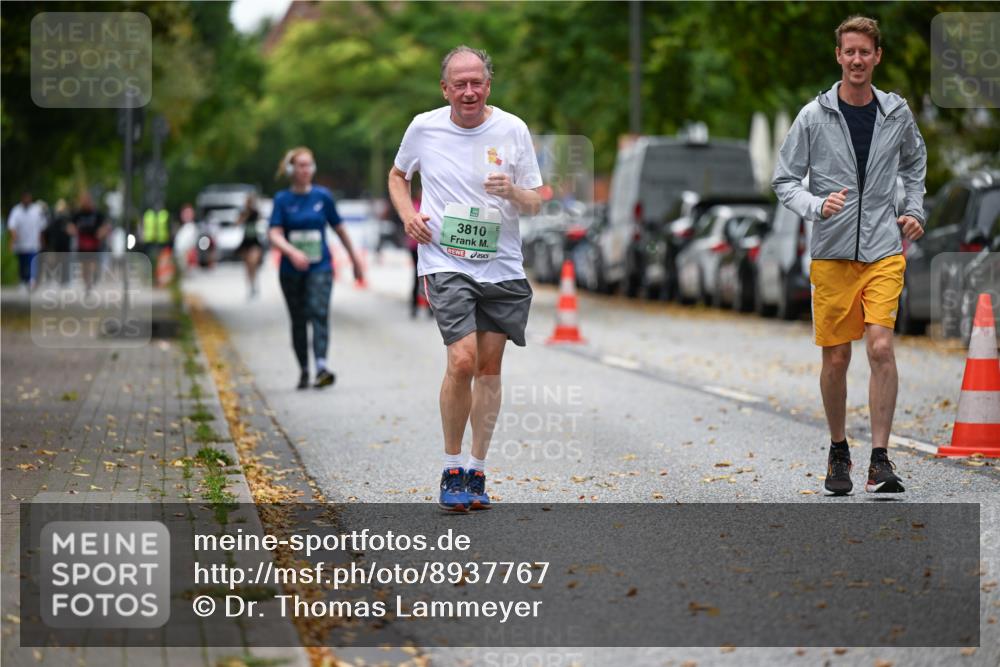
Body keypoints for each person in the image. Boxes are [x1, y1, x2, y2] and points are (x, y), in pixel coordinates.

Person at [772, 16, 927, 495]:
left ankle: (880, 459)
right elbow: (784, 180)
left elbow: (916, 162)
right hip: (832, 253)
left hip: (883, 248)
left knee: (880, 346)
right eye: (849, 52)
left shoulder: (896, 113)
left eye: (866, 52)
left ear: (877, 56)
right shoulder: (813, 117)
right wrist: (817, 207)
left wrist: (915, 210)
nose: (857, 60)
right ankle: (839, 448)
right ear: (838, 56)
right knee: (837, 358)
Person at [388, 46, 543, 512]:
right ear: (445, 89)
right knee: (461, 360)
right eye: (460, 84)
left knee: (489, 369)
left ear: (488, 85)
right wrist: (407, 215)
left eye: (477, 82)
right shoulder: (424, 127)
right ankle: (451, 464)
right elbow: (398, 177)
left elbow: (535, 200)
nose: (469, 91)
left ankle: (476, 470)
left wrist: (512, 190)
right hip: (445, 259)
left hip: (502, 265)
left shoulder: (513, 129)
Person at [268, 147, 364, 390]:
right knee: (298, 319)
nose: (305, 170)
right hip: (291, 271)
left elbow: (340, 228)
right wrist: (292, 251)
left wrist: (355, 259)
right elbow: (274, 233)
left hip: (320, 266)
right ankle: (303, 369)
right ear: (291, 169)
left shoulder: (323, 197)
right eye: (300, 165)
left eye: (309, 165)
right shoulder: (282, 200)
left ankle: (321, 366)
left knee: (319, 312)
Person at [7, 190, 48, 289]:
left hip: (34, 242)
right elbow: (12, 226)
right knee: (22, 263)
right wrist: (13, 238)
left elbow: (42, 227)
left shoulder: (37, 210)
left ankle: (32, 280)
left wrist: (42, 240)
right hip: (21, 243)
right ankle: (23, 280)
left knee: (32, 261)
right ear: (22, 199)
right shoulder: (16, 210)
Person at [72, 193, 110, 291]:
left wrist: (101, 232)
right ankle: (87, 284)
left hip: (94, 243)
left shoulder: (97, 214)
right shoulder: (78, 213)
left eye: (88, 201)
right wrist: (73, 231)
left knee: (93, 264)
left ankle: (93, 279)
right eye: (84, 201)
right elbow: (71, 225)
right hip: (82, 243)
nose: (86, 203)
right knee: (84, 265)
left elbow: (106, 226)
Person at [237, 194, 264, 299]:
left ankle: (255, 283)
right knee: (247, 266)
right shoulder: (243, 213)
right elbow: (237, 223)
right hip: (246, 241)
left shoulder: (256, 213)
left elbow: (261, 223)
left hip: (255, 240)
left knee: (253, 262)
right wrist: (244, 217)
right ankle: (250, 286)